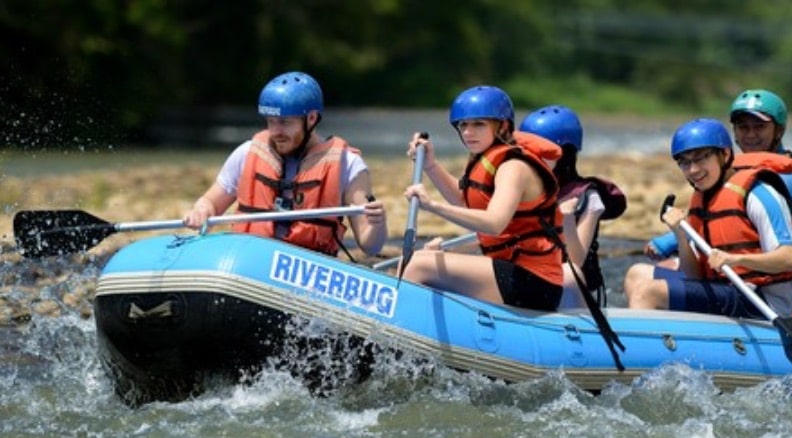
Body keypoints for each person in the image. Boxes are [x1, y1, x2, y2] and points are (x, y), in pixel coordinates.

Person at [183, 71, 387, 258]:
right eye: (271, 121)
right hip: (252, 260)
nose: (276, 131)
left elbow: (370, 245)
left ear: (311, 119)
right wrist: (200, 211)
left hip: (308, 268)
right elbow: (210, 202)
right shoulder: (247, 153)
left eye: (284, 122)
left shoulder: (349, 165)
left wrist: (378, 224)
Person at [400, 85, 564, 311]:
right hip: (509, 270)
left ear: (502, 126)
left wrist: (432, 205)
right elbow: (463, 202)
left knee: (419, 265)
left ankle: (395, 339)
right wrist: (430, 165)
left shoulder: (513, 167)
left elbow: (494, 223)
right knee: (409, 261)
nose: (468, 132)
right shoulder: (487, 158)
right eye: (464, 125)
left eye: (479, 124)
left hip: (535, 283)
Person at [624, 118, 792, 318]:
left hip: (760, 302)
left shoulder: (758, 194)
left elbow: (790, 259)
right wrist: (681, 236)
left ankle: (643, 348)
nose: (693, 170)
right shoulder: (703, 198)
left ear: (724, 155)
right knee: (636, 274)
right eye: (685, 162)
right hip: (723, 289)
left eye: (701, 158)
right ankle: (667, 339)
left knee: (647, 292)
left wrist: (737, 259)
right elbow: (695, 276)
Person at [643, 89, 792, 263]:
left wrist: (669, 241)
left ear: (779, 131)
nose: (750, 134)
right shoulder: (734, 167)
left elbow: (721, 213)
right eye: (743, 127)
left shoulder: (788, 174)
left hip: (780, 266)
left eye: (760, 127)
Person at [519, 105, 627, 308]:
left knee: (569, 273)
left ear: (563, 155)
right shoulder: (524, 188)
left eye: (536, 152)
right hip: (531, 276)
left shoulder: (589, 197)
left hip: (571, 288)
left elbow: (576, 260)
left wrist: (567, 218)